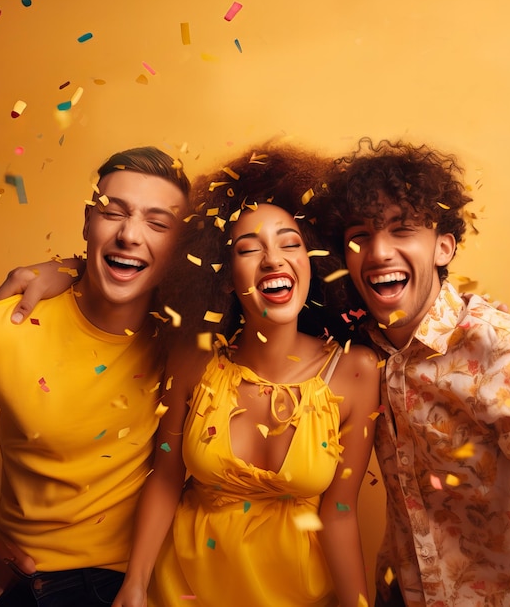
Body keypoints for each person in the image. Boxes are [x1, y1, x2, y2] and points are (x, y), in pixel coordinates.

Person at [111, 144, 380, 607]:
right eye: (248, 249)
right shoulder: (193, 360)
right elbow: (165, 476)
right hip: (181, 593)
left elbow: (340, 512)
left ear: (314, 261)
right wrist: (133, 585)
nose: (273, 260)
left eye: (289, 243)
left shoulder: (356, 371)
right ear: (223, 273)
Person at [318, 137, 510, 607]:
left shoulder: (504, 347)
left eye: (401, 229)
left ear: (442, 247)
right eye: (361, 236)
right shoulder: (360, 352)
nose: (378, 252)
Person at [0, 146, 191, 607]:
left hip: (134, 582)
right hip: (22, 581)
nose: (130, 234)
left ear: (180, 245)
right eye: (112, 213)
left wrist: (71, 266)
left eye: (158, 224)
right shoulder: (6, 327)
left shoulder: (189, 332)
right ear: (86, 222)